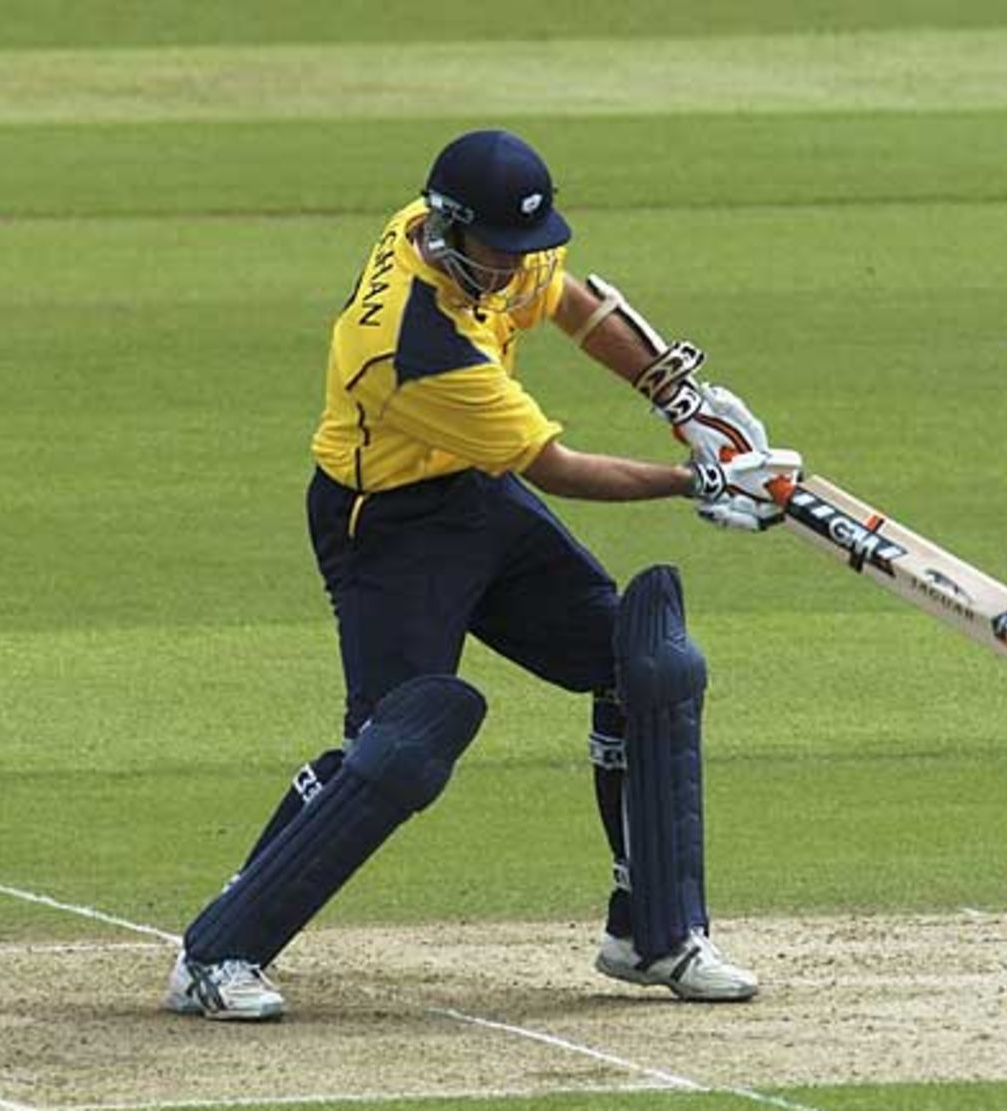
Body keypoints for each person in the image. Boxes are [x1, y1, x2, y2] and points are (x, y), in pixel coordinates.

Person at [164, 129, 800, 1020]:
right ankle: (217, 951)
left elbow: (575, 306)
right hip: (385, 525)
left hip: (473, 491)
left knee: (646, 667)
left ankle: (654, 933)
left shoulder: (482, 239)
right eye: (499, 253)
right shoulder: (416, 347)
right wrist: (697, 478)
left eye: (522, 251)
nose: (514, 270)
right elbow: (558, 469)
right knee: (397, 751)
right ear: (451, 232)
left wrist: (679, 399)